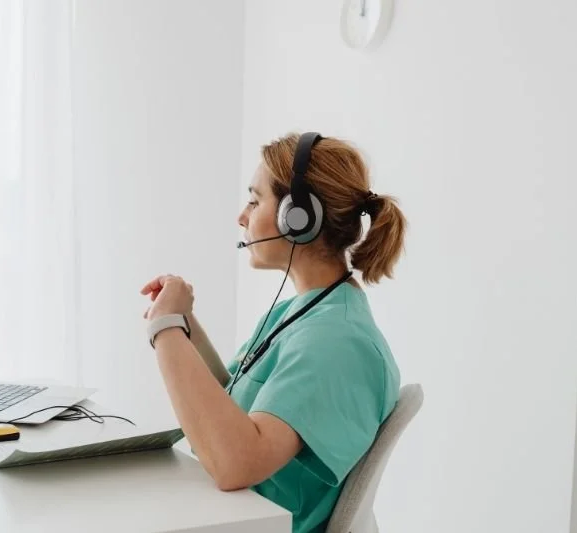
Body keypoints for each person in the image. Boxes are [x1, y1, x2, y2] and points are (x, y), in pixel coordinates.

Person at [140, 132, 407, 533]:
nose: (242, 217)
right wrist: (185, 324)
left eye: (254, 200)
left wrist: (166, 331)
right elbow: (237, 407)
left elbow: (236, 463)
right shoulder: (308, 312)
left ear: (298, 217)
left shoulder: (335, 341)